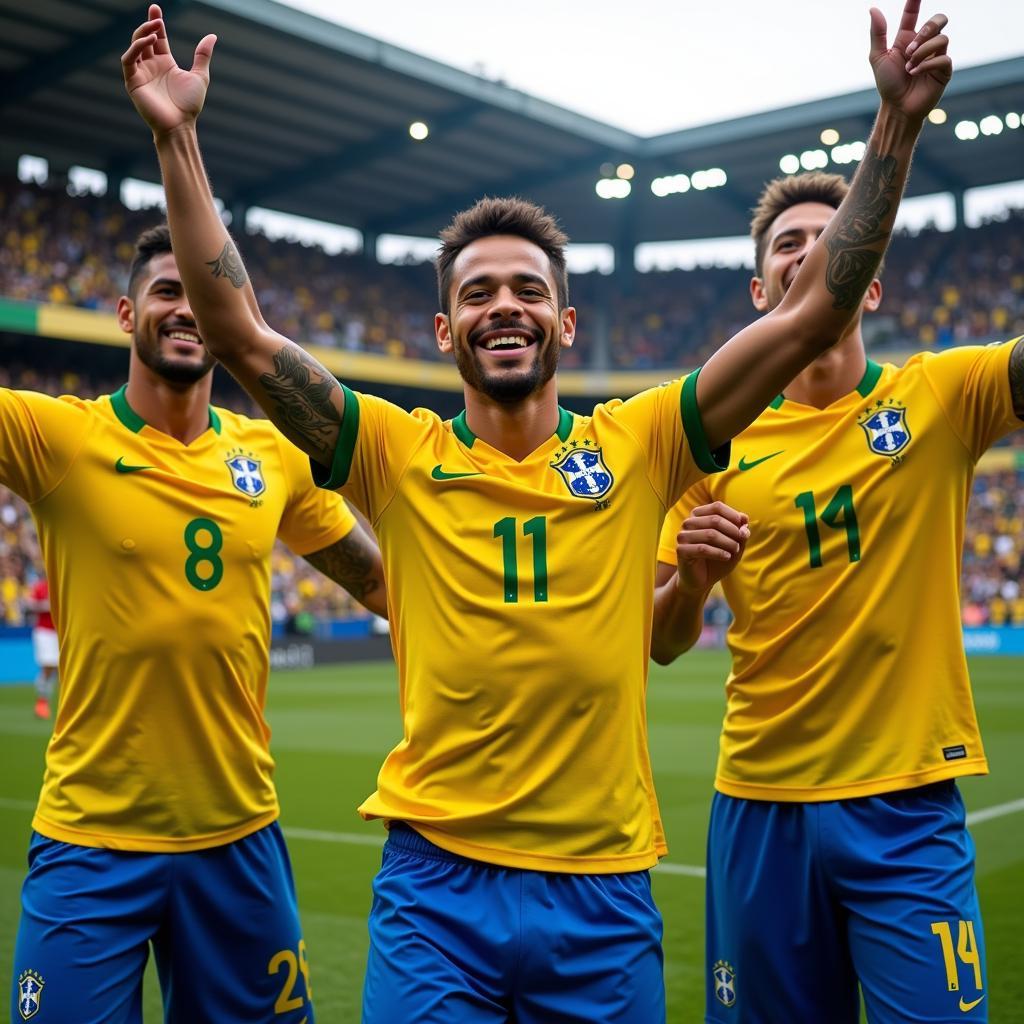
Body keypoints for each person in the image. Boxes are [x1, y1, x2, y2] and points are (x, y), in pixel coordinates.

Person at [122, 2, 950, 1019]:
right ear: (443, 329)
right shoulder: (390, 452)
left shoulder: (643, 441)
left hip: (600, 893)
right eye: (476, 294)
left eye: (525, 288)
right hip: (434, 890)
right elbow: (237, 332)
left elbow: (815, 306)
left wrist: (896, 124)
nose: (501, 305)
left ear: (563, 320)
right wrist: (176, 136)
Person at [651, 165, 1022, 1020]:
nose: (812, 255)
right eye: (790, 244)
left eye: (829, 240)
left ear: (870, 279)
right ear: (760, 288)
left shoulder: (939, 395)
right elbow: (664, 640)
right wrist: (694, 581)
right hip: (760, 804)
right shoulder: (708, 442)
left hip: (908, 801)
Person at [7, 223, 387, 1024]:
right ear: (124, 313)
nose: (183, 310)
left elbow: (384, 582)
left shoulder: (274, 454)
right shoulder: (59, 437)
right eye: (164, 292)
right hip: (91, 839)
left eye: (198, 294)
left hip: (236, 836)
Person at [24, 575, 58, 719]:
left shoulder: (61, 585)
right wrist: (44, 605)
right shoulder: (40, 587)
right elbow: (29, 604)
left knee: (58, 668)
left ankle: (47, 701)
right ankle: (41, 701)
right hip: (44, 631)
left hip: (60, 632)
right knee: (48, 666)